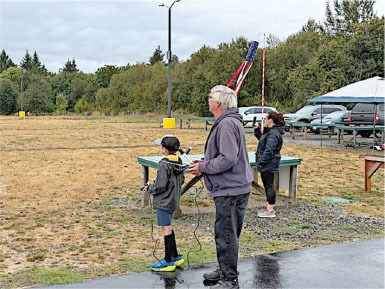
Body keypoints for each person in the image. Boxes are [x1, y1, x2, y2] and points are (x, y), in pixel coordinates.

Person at [188, 85, 252, 289]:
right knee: (228, 233)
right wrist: (205, 162)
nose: (207, 100)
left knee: (225, 234)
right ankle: (225, 270)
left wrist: (203, 167)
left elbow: (227, 159)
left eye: (210, 97)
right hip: (235, 186)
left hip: (230, 188)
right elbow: (225, 155)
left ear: (218, 103)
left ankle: (229, 279)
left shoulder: (226, 124)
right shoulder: (230, 121)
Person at [143, 135, 185, 272]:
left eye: (161, 146)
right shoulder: (178, 161)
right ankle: (175, 256)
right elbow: (181, 179)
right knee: (169, 227)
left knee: (166, 229)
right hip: (173, 200)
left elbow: (161, 185)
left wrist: (149, 188)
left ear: (165, 149)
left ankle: (168, 261)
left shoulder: (163, 164)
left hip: (164, 201)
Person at [254, 111, 285, 218]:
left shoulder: (274, 133)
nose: (264, 121)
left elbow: (269, 149)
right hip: (267, 162)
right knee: (268, 185)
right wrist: (257, 130)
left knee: (269, 185)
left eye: (265, 119)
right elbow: (263, 141)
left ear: (270, 120)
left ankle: (270, 209)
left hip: (269, 163)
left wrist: (262, 161)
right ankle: (268, 206)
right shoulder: (270, 132)